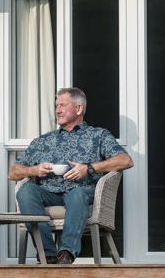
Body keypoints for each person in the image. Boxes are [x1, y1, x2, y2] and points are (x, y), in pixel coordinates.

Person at [9, 87, 133, 264]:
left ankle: (66, 253)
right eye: (56, 105)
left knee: (77, 193)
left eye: (62, 105)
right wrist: (35, 170)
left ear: (79, 109)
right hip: (49, 194)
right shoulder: (44, 141)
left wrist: (89, 168)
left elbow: (125, 160)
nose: (57, 110)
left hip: (81, 192)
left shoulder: (98, 135)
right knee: (25, 191)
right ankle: (48, 255)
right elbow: (13, 172)